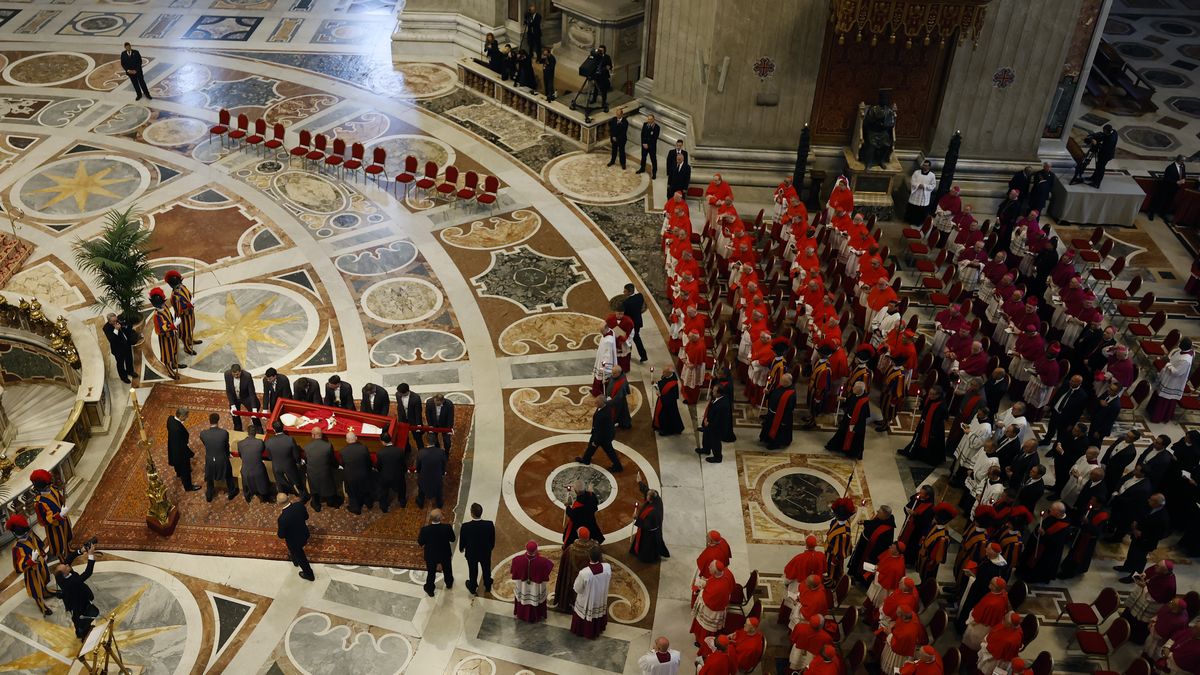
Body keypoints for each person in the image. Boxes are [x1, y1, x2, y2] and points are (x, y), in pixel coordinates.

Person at [6, 515, 53, 615]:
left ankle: (45, 592)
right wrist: (31, 561)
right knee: (36, 588)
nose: (25, 535)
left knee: (44, 578)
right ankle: (41, 605)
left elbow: (39, 544)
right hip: (31, 571)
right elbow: (18, 566)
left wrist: (43, 553)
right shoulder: (17, 547)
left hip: (40, 563)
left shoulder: (30, 535)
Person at [1121, 559, 1177, 643]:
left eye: (1158, 566)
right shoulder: (1158, 569)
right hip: (1141, 596)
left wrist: (1144, 586)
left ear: (1164, 571)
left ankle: (1133, 638)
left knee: (1139, 622)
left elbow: (1156, 597)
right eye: (1157, 564)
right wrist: (1143, 575)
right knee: (1130, 613)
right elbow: (1149, 572)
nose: (1155, 566)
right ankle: (1122, 628)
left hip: (1150, 604)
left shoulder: (1169, 584)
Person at [1117, 494, 1170, 581]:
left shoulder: (1163, 517)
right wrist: (1136, 522)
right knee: (1131, 553)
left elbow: (1160, 535)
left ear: (1157, 503)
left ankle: (1134, 577)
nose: (1148, 500)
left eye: (1151, 500)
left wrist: (1142, 534)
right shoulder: (1149, 507)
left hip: (1146, 542)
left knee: (1139, 560)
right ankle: (1127, 567)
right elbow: (1141, 515)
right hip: (1137, 537)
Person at [54, 544, 101, 639]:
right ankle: (82, 633)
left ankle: (82, 629)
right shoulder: (72, 582)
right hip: (78, 604)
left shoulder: (61, 575)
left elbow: (69, 558)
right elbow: (87, 572)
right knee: (81, 619)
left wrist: (81, 550)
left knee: (82, 618)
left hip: (77, 597)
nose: (67, 565)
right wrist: (90, 555)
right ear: (64, 574)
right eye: (66, 567)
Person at [30, 469, 74, 563]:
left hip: (63, 519)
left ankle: (68, 550)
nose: (49, 487)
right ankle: (62, 559)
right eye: (47, 486)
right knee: (58, 544)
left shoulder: (52, 489)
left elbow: (59, 500)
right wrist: (59, 515)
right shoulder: (38, 502)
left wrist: (63, 505)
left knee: (67, 536)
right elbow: (44, 521)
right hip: (54, 527)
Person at [1020, 501, 1071, 582]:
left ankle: (1033, 577)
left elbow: (1057, 543)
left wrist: (1044, 534)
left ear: (1058, 513)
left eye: (1052, 510)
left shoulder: (1064, 527)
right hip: (1039, 543)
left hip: (1047, 551)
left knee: (1039, 565)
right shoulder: (1054, 515)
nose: (1049, 510)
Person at [1148, 338, 1194, 423]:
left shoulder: (1186, 360)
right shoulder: (1181, 351)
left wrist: (1168, 364)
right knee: (1158, 393)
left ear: (1184, 346)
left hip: (1173, 382)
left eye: (1181, 343)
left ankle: (1157, 417)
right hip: (1167, 376)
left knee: (1164, 399)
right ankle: (1150, 410)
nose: (1179, 344)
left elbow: (1177, 372)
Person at [899, 386, 948, 465]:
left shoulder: (941, 406)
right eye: (929, 393)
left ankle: (926, 458)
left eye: (933, 394)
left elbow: (940, 419)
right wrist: (920, 405)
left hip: (934, 428)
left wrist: (933, 432)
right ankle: (911, 452)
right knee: (917, 438)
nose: (930, 396)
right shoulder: (930, 398)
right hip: (923, 424)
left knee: (931, 443)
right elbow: (925, 407)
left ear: (938, 395)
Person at [848, 506, 895, 588]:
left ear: (885, 515)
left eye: (879, 512)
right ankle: (854, 575)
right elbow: (874, 523)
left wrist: (871, 556)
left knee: (864, 566)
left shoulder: (888, 530)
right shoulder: (880, 518)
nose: (877, 511)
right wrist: (865, 522)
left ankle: (860, 581)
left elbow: (882, 546)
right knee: (857, 561)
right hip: (863, 546)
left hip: (870, 552)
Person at [571, 546, 612, 638]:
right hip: (600, 597)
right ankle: (598, 629)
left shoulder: (584, 573)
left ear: (589, 557)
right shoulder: (607, 567)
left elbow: (578, 588)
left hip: (587, 599)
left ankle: (585, 631)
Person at [554, 526, 596, 612]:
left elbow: (563, 565)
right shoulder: (594, 549)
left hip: (571, 577)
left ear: (579, 536)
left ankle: (568, 604)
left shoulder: (570, 549)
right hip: (587, 579)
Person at [691, 560, 735, 644]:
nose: (708, 567)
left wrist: (700, 590)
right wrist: (706, 583)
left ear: (715, 572)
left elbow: (708, 600)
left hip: (712, 611)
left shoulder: (718, 588)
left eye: (710, 567)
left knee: (705, 628)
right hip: (722, 601)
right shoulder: (726, 571)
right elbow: (731, 585)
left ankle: (702, 642)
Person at [577, 395, 623, 471]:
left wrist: (596, 441)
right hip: (601, 433)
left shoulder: (603, 415)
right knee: (591, 446)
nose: (595, 403)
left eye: (597, 402)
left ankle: (618, 467)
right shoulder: (605, 406)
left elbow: (600, 431)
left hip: (604, 437)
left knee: (609, 451)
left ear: (602, 403)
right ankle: (586, 459)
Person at [827, 380, 870, 459]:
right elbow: (850, 401)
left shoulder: (864, 402)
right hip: (847, 419)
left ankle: (851, 453)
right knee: (841, 433)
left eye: (855, 388)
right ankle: (837, 447)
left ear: (859, 390)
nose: (853, 388)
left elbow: (863, 417)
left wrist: (855, 427)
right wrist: (843, 399)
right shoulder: (855, 394)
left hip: (855, 424)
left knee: (853, 439)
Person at [512, 540, 553, 622]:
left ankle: (521, 613)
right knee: (536, 596)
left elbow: (513, 571)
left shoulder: (516, 560)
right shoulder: (543, 562)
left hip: (523, 587)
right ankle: (537, 615)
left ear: (526, 549)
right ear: (536, 550)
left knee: (523, 595)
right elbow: (549, 568)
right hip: (536, 588)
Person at [459, 503, 495, 595]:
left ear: (471, 513)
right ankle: (487, 585)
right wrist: (490, 548)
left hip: (471, 553)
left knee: (473, 570)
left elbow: (463, 540)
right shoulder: (489, 524)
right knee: (486, 569)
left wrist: (461, 548)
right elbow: (492, 540)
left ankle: (472, 587)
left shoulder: (465, 526)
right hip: (485, 552)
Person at [200, 413, 237, 502]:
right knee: (228, 475)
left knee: (210, 478)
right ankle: (231, 492)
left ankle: (209, 495)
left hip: (210, 459)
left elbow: (206, 444)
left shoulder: (203, 434)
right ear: (218, 420)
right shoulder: (224, 433)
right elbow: (226, 446)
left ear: (209, 421)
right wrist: (228, 454)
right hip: (222, 459)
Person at [417, 509, 455, 596]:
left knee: (431, 573)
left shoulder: (425, 530)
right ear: (440, 518)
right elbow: (452, 539)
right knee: (447, 569)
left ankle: (430, 589)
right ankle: (449, 583)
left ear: (430, 518)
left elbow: (420, 542)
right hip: (444, 553)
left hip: (431, 555)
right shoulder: (447, 527)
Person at [276, 493, 314, 581]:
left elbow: (281, 535)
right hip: (304, 534)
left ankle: (309, 575)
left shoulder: (282, 519)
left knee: (301, 557)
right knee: (294, 552)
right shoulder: (299, 505)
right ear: (288, 498)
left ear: (278, 503)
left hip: (294, 542)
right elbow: (306, 517)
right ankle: (294, 560)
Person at [266, 420, 308, 499]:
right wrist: (298, 462)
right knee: (296, 482)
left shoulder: (268, 442)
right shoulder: (290, 439)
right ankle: (303, 497)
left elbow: (270, 457)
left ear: (274, 430)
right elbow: (296, 455)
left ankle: (284, 497)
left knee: (281, 483)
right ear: (283, 427)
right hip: (289, 466)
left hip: (276, 467)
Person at [961, 577, 1009, 644]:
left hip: (981, 626)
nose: (989, 583)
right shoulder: (1002, 593)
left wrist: (973, 620)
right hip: (988, 624)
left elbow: (981, 615)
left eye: (992, 583)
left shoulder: (992, 604)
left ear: (995, 588)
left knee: (971, 639)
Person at [696, 384, 735, 463]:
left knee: (715, 442)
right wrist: (706, 419)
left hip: (717, 427)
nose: (712, 392)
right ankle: (706, 449)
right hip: (710, 422)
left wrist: (709, 423)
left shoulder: (723, 405)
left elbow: (719, 420)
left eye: (714, 391)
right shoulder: (717, 397)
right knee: (706, 435)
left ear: (719, 393)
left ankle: (717, 457)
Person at [149, 287, 182, 379]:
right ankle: (170, 371)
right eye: (161, 304)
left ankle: (174, 364)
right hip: (165, 338)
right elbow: (162, 328)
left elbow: (170, 317)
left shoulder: (165, 307)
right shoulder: (157, 316)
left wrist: (174, 321)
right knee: (167, 355)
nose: (164, 304)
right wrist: (173, 325)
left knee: (174, 350)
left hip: (172, 334)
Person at [304, 427, 339, 512]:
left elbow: (306, 460)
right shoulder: (328, 446)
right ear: (321, 435)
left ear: (313, 435)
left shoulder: (307, 447)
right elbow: (332, 459)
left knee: (314, 489)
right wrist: (336, 466)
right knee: (329, 486)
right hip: (325, 472)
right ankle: (331, 502)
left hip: (312, 473)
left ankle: (316, 505)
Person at [631, 486, 669, 563]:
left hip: (649, 535)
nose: (646, 496)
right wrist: (640, 483)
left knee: (647, 548)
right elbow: (647, 491)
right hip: (654, 531)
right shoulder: (657, 500)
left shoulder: (653, 513)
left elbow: (647, 525)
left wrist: (636, 518)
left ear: (650, 498)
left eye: (647, 495)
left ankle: (647, 559)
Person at [164, 270, 198, 356]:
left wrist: (191, 301)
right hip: (183, 318)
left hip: (190, 314)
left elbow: (188, 295)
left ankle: (190, 340)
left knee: (191, 327)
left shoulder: (182, 287)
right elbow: (179, 309)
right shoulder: (174, 296)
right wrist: (189, 305)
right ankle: (186, 346)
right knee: (185, 332)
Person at [339, 431, 374, 514]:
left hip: (351, 477)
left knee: (352, 494)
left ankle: (356, 508)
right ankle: (369, 504)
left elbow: (343, 464)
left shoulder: (343, 451)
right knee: (365, 490)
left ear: (347, 440)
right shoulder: (364, 448)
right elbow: (369, 462)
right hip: (363, 475)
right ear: (356, 438)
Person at [166, 407, 199, 491]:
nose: (187, 418)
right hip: (180, 452)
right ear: (181, 416)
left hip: (172, 446)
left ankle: (178, 473)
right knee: (185, 469)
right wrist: (190, 453)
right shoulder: (177, 429)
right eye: (186, 416)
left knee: (177, 464)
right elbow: (182, 446)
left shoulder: (170, 419)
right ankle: (188, 487)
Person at [760, 373, 796, 449]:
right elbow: (773, 396)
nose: (780, 381)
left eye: (782, 381)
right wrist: (767, 393)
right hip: (772, 413)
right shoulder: (780, 386)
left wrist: (784, 421)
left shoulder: (791, 394)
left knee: (778, 431)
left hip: (781, 417)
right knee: (768, 427)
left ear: (787, 382)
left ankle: (775, 444)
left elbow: (789, 409)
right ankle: (767, 438)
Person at [237, 426, 272, 503]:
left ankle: (248, 497)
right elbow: (262, 451)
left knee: (246, 484)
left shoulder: (240, 443)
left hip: (245, 470)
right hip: (258, 470)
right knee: (263, 481)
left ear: (247, 432)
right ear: (255, 433)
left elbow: (240, 455)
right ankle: (265, 498)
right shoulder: (260, 442)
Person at [1149, 155, 1187, 223]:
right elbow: (1166, 179)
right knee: (1159, 200)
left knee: (1169, 202)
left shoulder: (1183, 166)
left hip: (1175, 189)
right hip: (1166, 188)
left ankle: (1163, 214)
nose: (1184, 162)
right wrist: (1176, 182)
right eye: (1183, 160)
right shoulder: (1170, 168)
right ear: (1179, 160)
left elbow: (1183, 174)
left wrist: (1183, 178)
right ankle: (1151, 213)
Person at [375, 431, 408, 511]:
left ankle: (384, 507)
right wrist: (403, 472)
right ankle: (402, 502)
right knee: (402, 489)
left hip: (385, 477)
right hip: (398, 475)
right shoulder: (399, 451)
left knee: (383, 492)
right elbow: (403, 464)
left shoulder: (380, 453)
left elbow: (379, 466)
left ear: (383, 442)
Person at [224, 363, 259, 432]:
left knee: (254, 416)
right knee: (235, 415)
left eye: (237, 374)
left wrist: (254, 408)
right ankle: (238, 429)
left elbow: (252, 393)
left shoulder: (247, 376)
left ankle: (258, 428)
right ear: (231, 372)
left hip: (246, 397)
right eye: (234, 374)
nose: (236, 376)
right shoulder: (227, 374)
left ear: (241, 371)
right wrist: (232, 405)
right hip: (235, 398)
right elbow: (229, 391)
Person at [103, 313, 137, 383]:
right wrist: (116, 330)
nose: (116, 322)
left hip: (126, 344)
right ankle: (123, 377)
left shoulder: (118, 321)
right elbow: (112, 339)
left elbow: (126, 329)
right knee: (120, 364)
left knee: (129, 359)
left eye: (116, 320)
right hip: (118, 349)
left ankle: (130, 371)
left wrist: (127, 325)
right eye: (113, 321)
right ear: (109, 321)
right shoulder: (106, 328)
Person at [652, 366, 684, 435]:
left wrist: (661, 395)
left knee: (666, 417)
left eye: (664, 372)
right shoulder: (666, 376)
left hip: (668, 404)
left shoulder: (673, 384)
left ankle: (666, 431)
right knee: (659, 414)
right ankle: (658, 426)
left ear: (669, 373)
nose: (662, 373)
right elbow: (663, 383)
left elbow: (673, 396)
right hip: (663, 400)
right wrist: (656, 384)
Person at [415, 442, 447, 508]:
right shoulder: (441, 452)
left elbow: (418, 467)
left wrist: (419, 472)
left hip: (424, 477)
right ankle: (439, 504)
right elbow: (444, 465)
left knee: (421, 490)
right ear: (434, 442)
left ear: (427, 442)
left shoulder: (421, 452)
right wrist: (443, 473)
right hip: (437, 477)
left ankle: (420, 503)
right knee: (439, 491)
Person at [622, 283, 648, 363]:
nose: (623, 292)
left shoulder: (626, 303)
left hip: (630, 324)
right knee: (636, 338)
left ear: (629, 292)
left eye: (625, 291)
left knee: (628, 339)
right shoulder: (640, 296)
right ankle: (643, 356)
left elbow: (625, 315)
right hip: (638, 322)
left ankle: (627, 355)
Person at [396, 383, 423, 448]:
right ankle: (407, 449)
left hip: (413, 420)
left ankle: (421, 450)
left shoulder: (416, 398)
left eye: (400, 393)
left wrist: (418, 424)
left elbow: (418, 412)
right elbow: (399, 406)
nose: (399, 394)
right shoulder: (398, 394)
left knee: (417, 437)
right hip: (402, 418)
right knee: (404, 437)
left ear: (406, 392)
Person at [607, 364, 633, 429]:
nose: (612, 374)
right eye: (612, 372)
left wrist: (610, 402)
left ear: (619, 372)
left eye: (614, 373)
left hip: (619, 401)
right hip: (612, 398)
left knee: (621, 413)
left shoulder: (622, 382)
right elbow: (611, 380)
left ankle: (625, 424)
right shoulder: (615, 375)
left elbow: (619, 396)